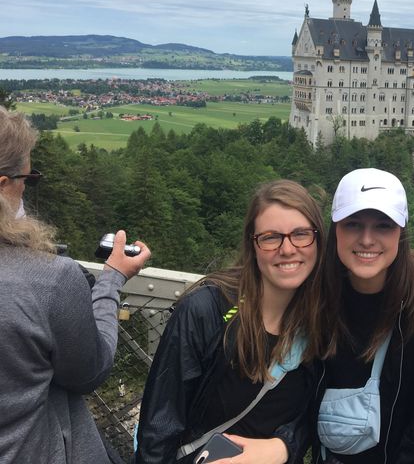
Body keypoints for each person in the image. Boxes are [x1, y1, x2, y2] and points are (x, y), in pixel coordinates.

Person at [135, 179, 326, 464]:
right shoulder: (206, 311)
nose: (287, 249)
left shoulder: (323, 320)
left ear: (318, 240)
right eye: (271, 237)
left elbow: (316, 414)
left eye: (300, 234)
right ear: (253, 245)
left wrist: (283, 447)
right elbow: (159, 426)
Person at [0, 106, 151, 463]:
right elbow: (89, 371)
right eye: (28, 179)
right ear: (4, 186)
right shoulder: (48, 279)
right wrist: (111, 279)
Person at [312, 168, 414, 464]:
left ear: (401, 233)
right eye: (353, 224)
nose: (367, 239)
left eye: (383, 226)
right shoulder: (315, 293)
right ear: (336, 230)